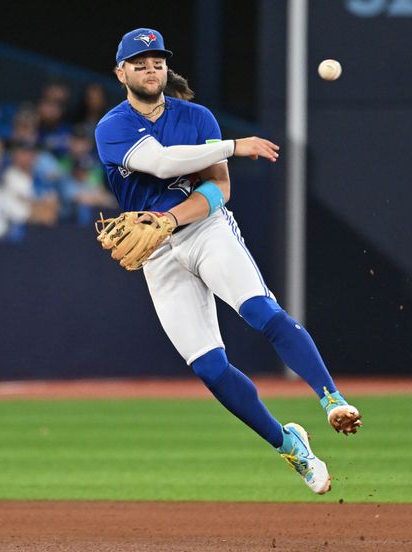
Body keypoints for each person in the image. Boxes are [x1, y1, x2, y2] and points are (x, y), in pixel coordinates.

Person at [94, 28, 361, 495]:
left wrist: (169, 218)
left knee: (260, 310)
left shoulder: (196, 117)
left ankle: (332, 399)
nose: (151, 68)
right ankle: (292, 446)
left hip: (205, 230)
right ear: (121, 73)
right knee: (210, 369)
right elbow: (160, 162)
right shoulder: (112, 126)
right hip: (158, 254)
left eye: (157, 60)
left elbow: (219, 191)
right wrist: (235, 146)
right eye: (139, 62)